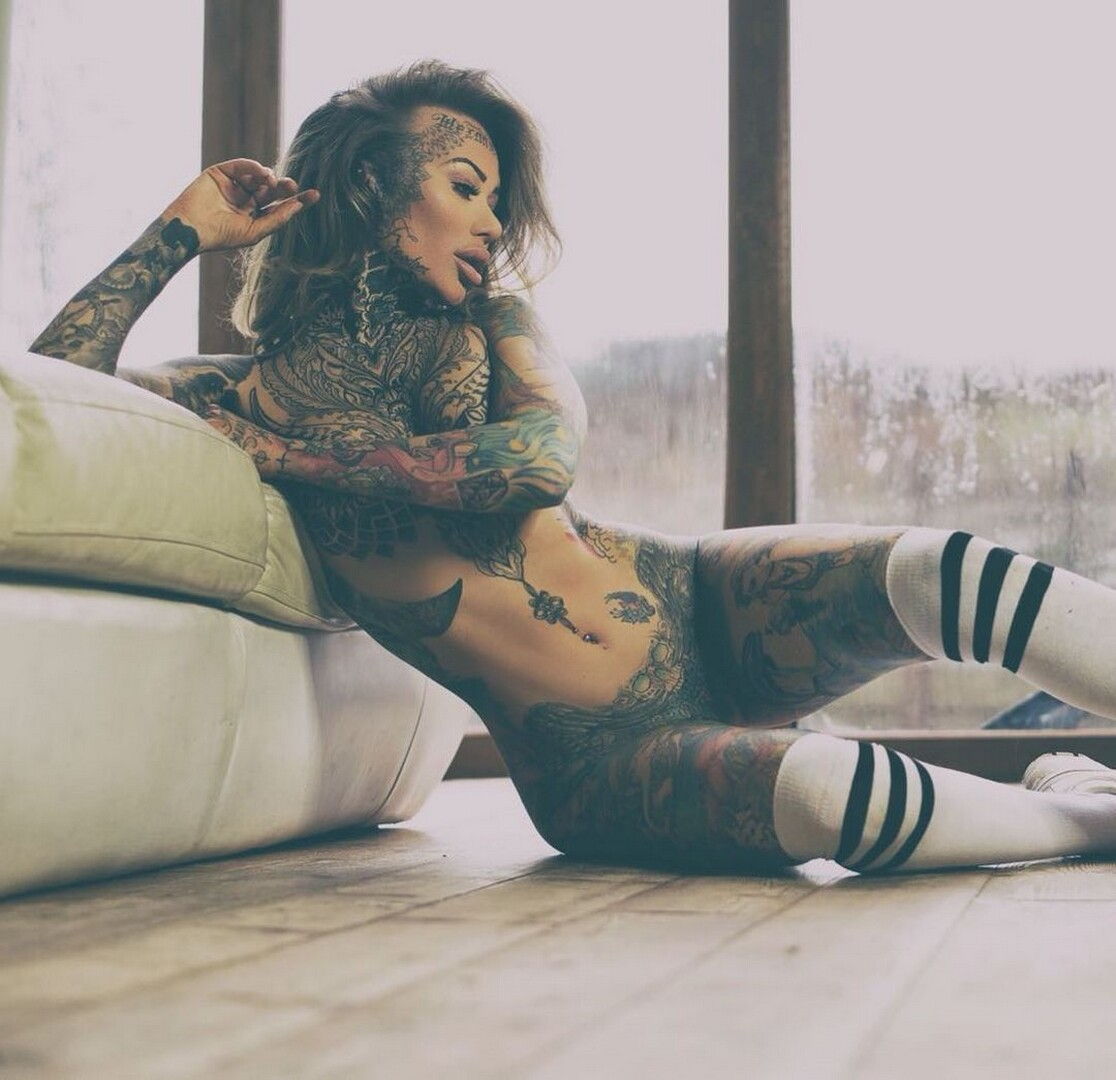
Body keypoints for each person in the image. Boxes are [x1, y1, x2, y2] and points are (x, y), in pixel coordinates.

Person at [28, 60, 1116, 877]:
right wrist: (179, 231)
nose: (493, 222)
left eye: (496, 197)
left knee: (934, 568)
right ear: (370, 181)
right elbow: (48, 412)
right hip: (597, 758)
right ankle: (1084, 813)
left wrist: (293, 458)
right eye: (467, 185)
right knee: (826, 793)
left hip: (695, 604)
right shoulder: (231, 397)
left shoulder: (488, 324)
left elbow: (536, 462)